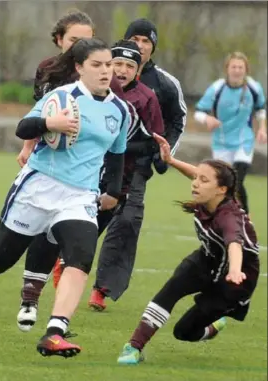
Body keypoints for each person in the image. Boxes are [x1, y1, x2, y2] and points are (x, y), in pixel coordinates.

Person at [0, 38, 130, 359]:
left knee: (81, 257)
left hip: (80, 196)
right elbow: (23, 127)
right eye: (97, 65)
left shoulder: (119, 109)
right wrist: (50, 123)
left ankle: (55, 332)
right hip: (38, 187)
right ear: (79, 68)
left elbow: (117, 155)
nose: (106, 71)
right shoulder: (61, 97)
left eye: (109, 65)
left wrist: (113, 191)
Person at [17, 39, 165, 331]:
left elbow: (144, 140)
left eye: (122, 65)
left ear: (139, 69)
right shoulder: (63, 89)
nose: (115, 70)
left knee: (84, 251)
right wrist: (40, 134)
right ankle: (31, 297)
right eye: (111, 63)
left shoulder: (136, 100)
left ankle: (58, 324)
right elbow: (30, 123)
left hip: (101, 185)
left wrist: (121, 183)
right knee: (29, 246)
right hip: (54, 179)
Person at [15, 10, 126, 334]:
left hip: (83, 180)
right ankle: (30, 298)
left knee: (74, 246)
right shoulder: (49, 70)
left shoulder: (105, 80)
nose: (83, 44)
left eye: (88, 38)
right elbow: (38, 115)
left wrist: (112, 186)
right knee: (15, 250)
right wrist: (27, 147)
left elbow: (114, 123)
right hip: (45, 170)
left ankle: (58, 321)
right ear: (60, 41)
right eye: (76, 39)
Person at [117, 133, 260, 364]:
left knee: (183, 333)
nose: (195, 183)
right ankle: (133, 347)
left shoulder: (229, 216)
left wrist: (234, 270)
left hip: (234, 282)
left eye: (204, 181)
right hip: (206, 261)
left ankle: (213, 326)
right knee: (170, 290)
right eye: (197, 178)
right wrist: (171, 161)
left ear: (221, 189)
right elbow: (196, 174)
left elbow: (235, 243)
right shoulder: (211, 196)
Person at [88, 18, 187, 310]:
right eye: (136, 39)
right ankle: (63, 259)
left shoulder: (166, 84)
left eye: (146, 41)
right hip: (95, 165)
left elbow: (177, 120)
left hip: (137, 166)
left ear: (152, 47)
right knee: (85, 215)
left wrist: (161, 154)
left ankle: (102, 289)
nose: (141, 46)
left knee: (127, 221)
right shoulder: (103, 75)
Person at [194, 51, 267, 215]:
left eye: (240, 67)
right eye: (234, 67)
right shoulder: (217, 88)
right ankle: (218, 217)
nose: (237, 70)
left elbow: (261, 108)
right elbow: (198, 112)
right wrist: (207, 119)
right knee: (222, 185)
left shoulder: (254, 88)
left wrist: (262, 128)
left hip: (244, 141)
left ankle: (244, 218)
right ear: (227, 69)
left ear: (246, 69)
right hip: (222, 143)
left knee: (238, 181)